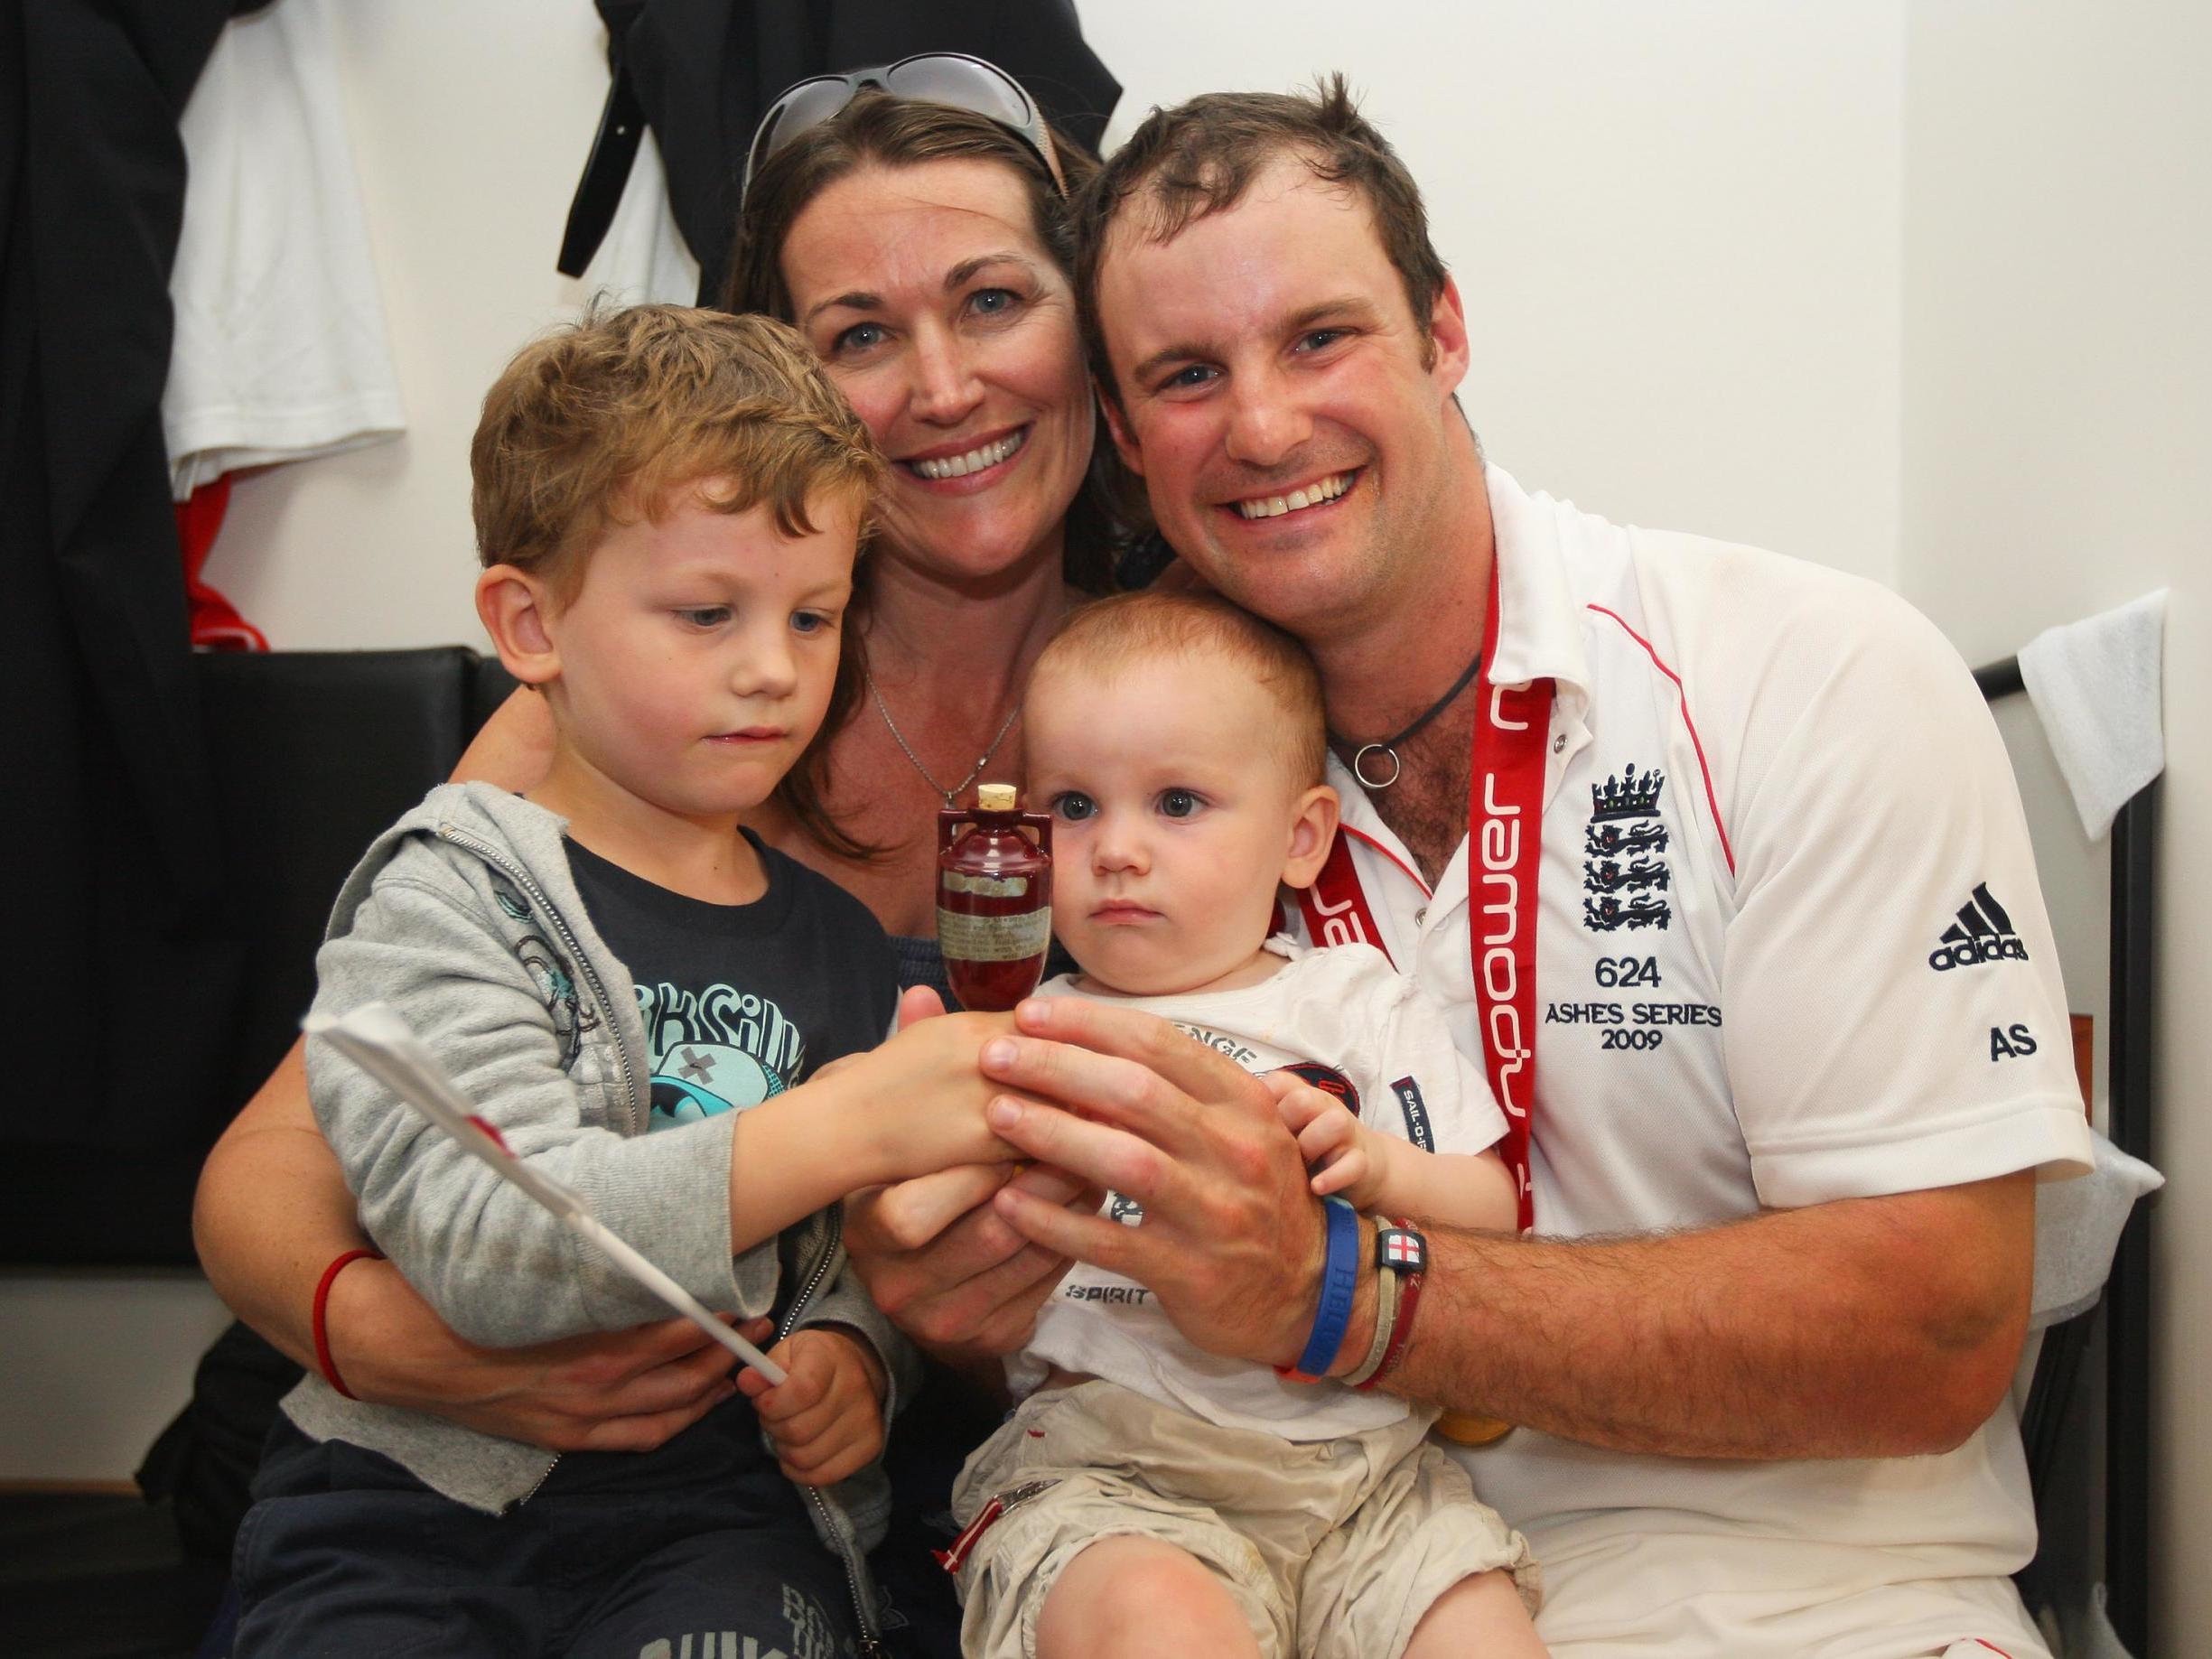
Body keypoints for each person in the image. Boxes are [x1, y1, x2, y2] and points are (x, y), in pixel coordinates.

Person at [845, 79, 2098, 1659]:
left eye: (1318, 335)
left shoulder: (1805, 676)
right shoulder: (1129, 787)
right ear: (1121, 430)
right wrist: (956, 1310)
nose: (1260, 424)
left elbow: (1935, 1328)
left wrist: (1342, 1289)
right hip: (1275, 1571)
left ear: (1441, 329)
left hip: (1808, 1600)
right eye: (1183, 373)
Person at [190, 60, 1108, 1491]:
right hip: (468, 1449)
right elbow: (271, 1164)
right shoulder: (605, 727)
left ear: (1088, 316)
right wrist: (396, 1341)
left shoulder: (1195, 698)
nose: (941, 387)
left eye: (992, 300)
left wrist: (880, 1348)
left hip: (875, 1470)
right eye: (860, 334)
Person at [231, 303, 1018, 1658]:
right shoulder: (445, 895)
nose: (774, 668)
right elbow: (491, 1239)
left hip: (719, 1525)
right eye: (706, 612)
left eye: (814, 615)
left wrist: (853, 1366)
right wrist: (836, 1123)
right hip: (414, 1513)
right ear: (530, 625)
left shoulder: (832, 937)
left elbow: (847, 1265)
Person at [940, 590, 1543, 1659]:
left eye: (1176, 803)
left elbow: (1496, 1212)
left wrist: (1383, 1169)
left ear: (1301, 835)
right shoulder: (1027, 1028)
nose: (1117, 849)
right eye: (1074, 806)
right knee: (1155, 1628)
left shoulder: (1358, 1003)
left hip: (1371, 1481)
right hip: (1113, 1470)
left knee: (1481, 1634)